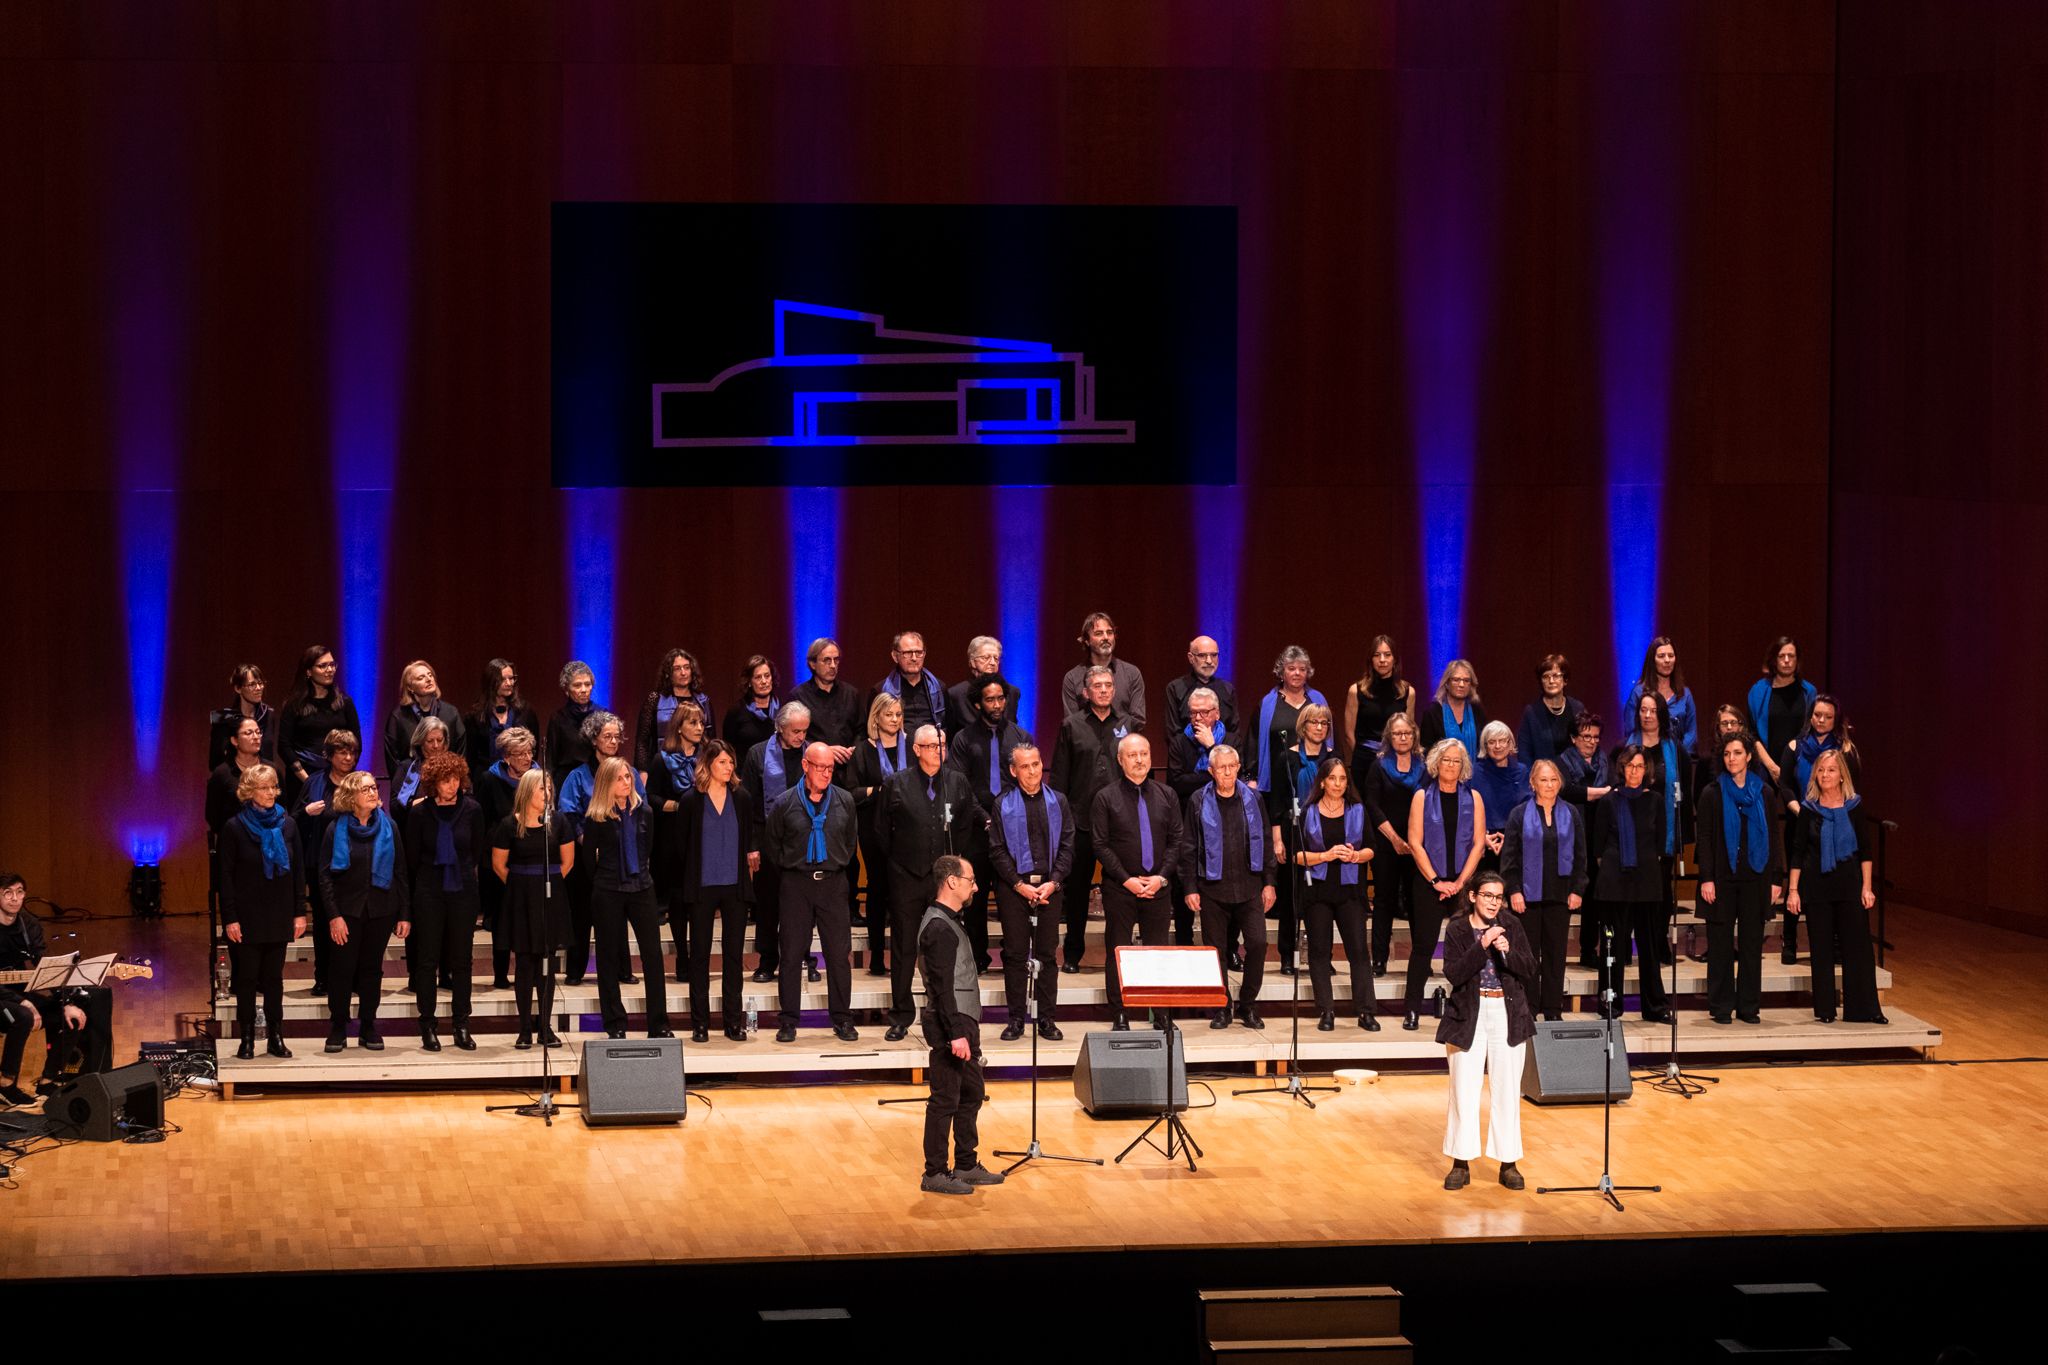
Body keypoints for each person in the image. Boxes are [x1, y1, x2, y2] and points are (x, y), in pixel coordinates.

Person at [877, 726, 987, 1040]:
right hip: (906, 876)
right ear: (916, 749)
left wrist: (951, 864)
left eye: (941, 746)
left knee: (945, 947)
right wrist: (901, 862)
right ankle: (900, 1015)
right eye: (930, 746)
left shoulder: (957, 782)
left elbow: (964, 824)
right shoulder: (896, 784)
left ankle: (945, 1012)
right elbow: (882, 832)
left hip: (945, 881)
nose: (937, 752)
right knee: (903, 948)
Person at [1437, 872, 1535, 1193]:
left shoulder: (1512, 925)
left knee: (1507, 1089)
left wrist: (1506, 951)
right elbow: (1454, 973)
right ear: (1473, 896)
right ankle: (1460, 1162)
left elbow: (1529, 968)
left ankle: (1508, 1163)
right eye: (1487, 896)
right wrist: (1482, 946)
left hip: (1506, 1012)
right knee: (1464, 1090)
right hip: (1469, 1014)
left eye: (1498, 897)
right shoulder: (1457, 929)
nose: (1494, 902)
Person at [916, 856, 1004, 1196]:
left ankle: (965, 1163)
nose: (975, 886)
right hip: (950, 1023)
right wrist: (956, 1033)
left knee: (971, 1093)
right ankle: (934, 1173)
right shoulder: (938, 927)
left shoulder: (948, 922)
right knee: (945, 1099)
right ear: (952, 882)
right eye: (970, 879)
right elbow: (941, 987)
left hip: (963, 1020)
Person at [763, 743, 861, 1043]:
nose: (826, 773)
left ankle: (842, 1019)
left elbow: (849, 841)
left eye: (831, 768)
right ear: (805, 766)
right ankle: (789, 1021)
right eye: (820, 767)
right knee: (792, 954)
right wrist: (795, 870)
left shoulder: (844, 800)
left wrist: (833, 864)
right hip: (797, 884)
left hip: (833, 883)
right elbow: (773, 846)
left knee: (838, 955)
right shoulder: (784, 803)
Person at [1090, 734, 1184, 1029]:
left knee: (1158, 953)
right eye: (1133, 755)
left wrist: (1161, 877)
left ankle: (1161, 1012)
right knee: (1118, 951)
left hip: (1158, 888)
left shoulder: (1167, 795)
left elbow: (1176, 840)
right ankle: (1120, 1012)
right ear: (1120, 760)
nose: (1140, 760)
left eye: (1144, 753)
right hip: (1121, 888)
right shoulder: (1105, 797)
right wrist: (1127, 879)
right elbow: (1100, 844)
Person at [1181, 744, 1276, 1029]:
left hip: (1249, 886)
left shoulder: (1254, 798)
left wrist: (1269, 883)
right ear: (1211, 771)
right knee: (1215, 951)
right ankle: (1222, 1007)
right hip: (1213, 888)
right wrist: (1189, 887)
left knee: (1258, 943)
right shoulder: (1198, 800)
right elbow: (1188, 847)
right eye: (1221, 767)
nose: (1227, 772)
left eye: (1232, 766)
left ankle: (1248, 1005)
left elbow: (1267, 841)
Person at [1787, 750, 1885, 1025]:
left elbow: (1865, 851)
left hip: (1849, 884)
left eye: (1831, 770)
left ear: (1842, 775)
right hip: (1817, 886)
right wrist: (1793, 890)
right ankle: (1826, 1010)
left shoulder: (1854, 807)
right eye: (1821, 770)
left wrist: (1867, 887)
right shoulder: (1809, 809)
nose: (1825, 775)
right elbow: (1797, 852)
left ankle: (1864, 1009)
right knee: (1821, 949)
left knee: (1858, 948)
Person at [1695, 731, 1786, 1025]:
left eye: (1737, 753)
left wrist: (1776, 878)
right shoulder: (1712, 792)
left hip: (1755, 878)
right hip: (1721, 878)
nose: (1731, 758)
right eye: (1727, 754)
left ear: (1748, 756)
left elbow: (1774, 835)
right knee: (1720, 945)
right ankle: (1721, 1006)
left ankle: (1748, 1006)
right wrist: (1706, 878)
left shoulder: (1765, 793)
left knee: (1750, 945)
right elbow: (1705, 838)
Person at [217, 763, 308, 1059]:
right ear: (249, 791)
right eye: (264, 787)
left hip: (279, 913)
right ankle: (246, 1039)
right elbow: (226, 878)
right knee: (246, 980)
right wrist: (229, 918)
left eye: (273, 787)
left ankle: (275, 1037)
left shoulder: (288, 824)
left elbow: (297, 873)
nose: (271, 793)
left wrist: (299, 912)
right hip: (246, 916)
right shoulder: (234, 827)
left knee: (274, 979)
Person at [317, 771, 410, 1051]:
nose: (373, 792)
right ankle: (338, 1025)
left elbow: (401, 871)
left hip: (380, 910)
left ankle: (368, 1024)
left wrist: (404, 913)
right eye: (366, 789)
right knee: (342, 970)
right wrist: (334, 916)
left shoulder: (389, 826)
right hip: (346, 912)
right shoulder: (335, 828)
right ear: (351, 797)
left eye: (373, 788)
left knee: (371, 970)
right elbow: (324, 876)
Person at [987, 744, 1074, 1040]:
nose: (1033, 771)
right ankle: (1015, 1020)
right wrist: (1019, 885)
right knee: (1014, 955)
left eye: (1036, 764)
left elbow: (1067, 846)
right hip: (1015, 889)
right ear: (1014, 771)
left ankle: (1047, 1019)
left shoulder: (1058, 801)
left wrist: (1054, 882)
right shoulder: (1002, 804)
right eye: (1025, 766)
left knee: (1047, 955)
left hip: (1051, 887)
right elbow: (996, 850)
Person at [1, 874, 114, 1100]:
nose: (15, 899)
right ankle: (5, 1085)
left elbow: (45, 966)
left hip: (17, 993)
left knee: (72, 1015)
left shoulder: (28, 925)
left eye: (20, 892)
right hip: (5, 999)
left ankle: (48, 1081)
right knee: (22, 1016)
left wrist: (67, 1002)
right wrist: (23, 1002)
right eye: (7, 893)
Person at [1049, 666, 1132, 973]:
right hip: (1080, 819)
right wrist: (1061, 819)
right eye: (1097, 685)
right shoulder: (1071, 725)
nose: (1103, 690)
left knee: (1120, 890)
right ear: (1086, 691)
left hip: (1118, 820)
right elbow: (1059, 776)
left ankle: (1120, 955)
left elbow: (1135, 771)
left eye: (1108, 685)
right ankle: (1072, 954)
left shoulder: (1127, 724)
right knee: (1077, 890)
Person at [675, 740, 759, 1042]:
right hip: (702, 887)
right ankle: (700, 1024)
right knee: (699, 955)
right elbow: (682, 847)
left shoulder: (742, 798)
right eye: (723, 762)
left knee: (733, 956)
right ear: (708, 763)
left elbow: (749, 837)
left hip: (734, 886)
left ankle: (733, 1022)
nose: (729, 767)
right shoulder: (691, 800)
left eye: (731, 762)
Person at [403, 750, 486, 1051]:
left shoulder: (473, 810)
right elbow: (412, 857)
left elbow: (476, 851)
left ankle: (461, 1024)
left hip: (463, 889)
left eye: (455, 779)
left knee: (462, 961)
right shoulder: (418, 813)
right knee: (427, 960)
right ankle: (428, 1024)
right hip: (429, 890)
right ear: (433, 783)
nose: (452, 785)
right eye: (445, 780)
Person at [583, 755, 669, 1040]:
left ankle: (658, 1024)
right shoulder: (596, 817)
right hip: (607, 889)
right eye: (619, 778)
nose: (625, 782)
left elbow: (650, 849)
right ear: (607, 782)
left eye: (628, 777)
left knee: (653, 957)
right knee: (607, 958)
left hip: (641, 887)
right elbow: (587, 861)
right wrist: (603, 880)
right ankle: (615, 1023)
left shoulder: (645, 812)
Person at [1404, 738, 1486, 1031]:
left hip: (1463, 884)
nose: (1451, 765)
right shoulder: (1421, 797)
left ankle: (1466, 1008)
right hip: (1429, 882)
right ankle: (1412, 1010)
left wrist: (1461, 883)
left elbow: (1478, 843)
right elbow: (1415, 842)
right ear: (1436, 764)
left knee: (1467, 949)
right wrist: (1437, 881)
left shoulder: (1474, 797)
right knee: (1423, 947)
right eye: (1446, 760)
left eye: (1456, 761)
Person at [489, 769, 573, 1049]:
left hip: (551, 895)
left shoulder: (559, 822)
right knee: (525, 963)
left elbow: (567, 862)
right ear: (527, 792)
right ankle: (524, 1028)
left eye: (549, 789)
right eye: (541, 789)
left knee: (547, 963)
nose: (547, 794)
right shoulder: (508, 825)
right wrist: (522, 885)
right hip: (521, 898)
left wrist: (544, 884)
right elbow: (499, 865)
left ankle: (545, 1027)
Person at [1291, 755, 1376, 1031]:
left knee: (1359, 952)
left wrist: (1354, 856)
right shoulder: (1307, 811)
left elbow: (1371, 850)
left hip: (1350, 891)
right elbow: (1298, 856)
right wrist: (1325, 855)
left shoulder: (1358, 810)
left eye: (1342, 778)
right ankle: (1326, 1011)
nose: (1338, 783)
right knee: (1319, 952)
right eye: (1332, 778)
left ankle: (1365, 1012)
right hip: (1318, 892)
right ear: (1323, 782)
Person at [1499, 759, 1588, 1023]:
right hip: (1527, 898)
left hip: (1560, 896)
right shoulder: (1518, 814)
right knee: (1527, 955)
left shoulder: (1571, 813)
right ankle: (1528, 1006)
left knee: (1555, 954)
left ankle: (1552, 1009)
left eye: (1553, 780)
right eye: (1543, 780)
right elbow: (1509, 858)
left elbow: (1581, 856)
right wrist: (1513, 890)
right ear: (1533, 783)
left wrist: (1577, 889)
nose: (1549, 785)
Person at [557, 709, 640, 987]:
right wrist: (585, 842)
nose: (614, 741)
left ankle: (622, 970)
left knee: (618, 913)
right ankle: (575, 970)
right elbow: (568, 814)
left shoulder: (630, 774)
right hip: (585, 856)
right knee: (581, 914)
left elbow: (640, 809)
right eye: (608, 736)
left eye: (618, 737)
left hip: (619, 856)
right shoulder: (577, 776)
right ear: (594, 740)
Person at [1587, 746, 1670, 1022]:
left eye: (1640, 766)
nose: (1635, 771)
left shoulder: (1656, 801)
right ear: (1622, 768)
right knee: (1613, 948)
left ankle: (1655, 1007)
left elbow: (1660, 843)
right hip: (1614, 882)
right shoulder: (1609, 801)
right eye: (1630, 766)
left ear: (1647, 770)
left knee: (1649, 948)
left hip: (1646, 881)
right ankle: (1610, 1003)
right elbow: (1598, 848)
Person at [741, 701, 815, 984]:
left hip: (804, 841)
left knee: (801, 906)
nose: (800, 737)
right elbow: (747, 805)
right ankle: (767, 961)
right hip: (767, 839)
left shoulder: (811, 754)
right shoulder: (758, 754)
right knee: (768, 905)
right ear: (780, 728)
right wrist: (751, 845)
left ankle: (804, 958)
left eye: (804, 731)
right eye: (795, 731)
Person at [1270, 702, 1340, 975]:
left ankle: (1322, 956)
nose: (1320, 728)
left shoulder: (1333, 758)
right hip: (1293, 829)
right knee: (1291, 897)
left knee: (1322, 898)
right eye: (1315, 723)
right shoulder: (1286, 758)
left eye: (1324, 724)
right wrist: (1277, 839)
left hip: (1326, 831)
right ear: (1303, 726)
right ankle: (1287, 956)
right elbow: (1276, 800)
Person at [292, 727, 360, 997]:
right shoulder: (315, 783)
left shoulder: (360, 781)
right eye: (342, 752)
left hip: (354, 865)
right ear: (330, 755)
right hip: (320, 864)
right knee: (323, 923)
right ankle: (322, 977)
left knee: (352, 923)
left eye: (352, 752)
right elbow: (293, 818)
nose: (348, 758)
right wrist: (307, 812)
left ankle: (351, 978)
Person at [850, 693, 912, 976]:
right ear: (876, 717)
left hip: (907, 829)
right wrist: (879, 791)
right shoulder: (863, 750)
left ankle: (903, 956)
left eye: (899, 715)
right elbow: (851, 792)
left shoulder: (911, 746)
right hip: (874, 828)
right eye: (889, 715)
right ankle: (876, 956)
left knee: (903, 895)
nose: (895, 720)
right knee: (877, 890)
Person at [1363, 714, 1427, 979]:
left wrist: (1412, 842)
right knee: (1384, 901)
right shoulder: (1378, 766)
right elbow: (1372, 805)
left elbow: (1428, 804)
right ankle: (1379, 960)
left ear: (1414, 737)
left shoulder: (1424, 768)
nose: (1402, 738)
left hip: (1417, 845)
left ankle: (1420, 961)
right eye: (1398, 733)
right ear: (1389, 737)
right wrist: (1395, 840)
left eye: (1407, 734)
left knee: (1417, 904)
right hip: (1386, 843)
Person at [1628, 690, 1689, 971]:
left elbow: (1683, 791)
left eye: (1653, 710)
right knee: (1633, 890)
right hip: (1633, 831)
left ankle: (1658, 941)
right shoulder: (1627, 747)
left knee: (1662, 891)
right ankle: (1633, 943)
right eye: (1643, 710)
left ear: (1661, 714)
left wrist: (1680, 834)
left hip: (1663, 830)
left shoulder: (1674, 748)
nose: (1648, 715)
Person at [647, 700, 706, 981]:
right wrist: (680, 806)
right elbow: (652, 797)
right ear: (679, 728)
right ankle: (683, 957)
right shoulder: (663, 759)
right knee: (679, 902)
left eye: (701, 722)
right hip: (671, 839)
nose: (699, 727)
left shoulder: (707, 757)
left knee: (698, 902)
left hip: (702, 837)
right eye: (692, 723)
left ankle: (697, 959)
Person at [475, 726, 536, 990]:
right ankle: (500, 974)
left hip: (530, 856)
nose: (526, 757)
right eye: (519, 753)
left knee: (529, 918)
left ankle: (531, 973)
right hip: (497, 858)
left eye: (529, 752)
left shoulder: (537, 778)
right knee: (500, 918)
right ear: (506, 757)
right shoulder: (489, 780)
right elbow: (482, 820)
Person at [278, 646, 361, 806]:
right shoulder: (294, 705)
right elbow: (283, 746)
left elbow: (356, 742)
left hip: (340, 777)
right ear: (308, 671)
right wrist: (308, 780)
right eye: (322, 666)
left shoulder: (345, 703)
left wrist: (341, 773)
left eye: (332, 665)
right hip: (302, 778)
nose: (329, 670)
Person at [1246, 646, 1326, 796]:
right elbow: (1253, 743)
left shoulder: (1318, 701)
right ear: (1282, 672)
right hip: (1276, 781)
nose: (1297, 673)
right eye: (1291, 668)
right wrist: (1252, 777)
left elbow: (1332, 740)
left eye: (1302, 669)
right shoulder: (1267, 704)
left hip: (1313, 779)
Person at [1746, 636, 1815, 787]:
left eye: (1791, 656)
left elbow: (1811, 731)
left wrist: (1792, 767)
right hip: (1765, 767)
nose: (1786, 660)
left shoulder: (1809, 692)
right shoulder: (1757, 691)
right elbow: (1752, 734)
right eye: (1781, 656)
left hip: (1799, 765)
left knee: (1797, 810)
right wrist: (1772, 767)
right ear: (1774, 660)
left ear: (1797, 660)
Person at [634, 648, 714, 777]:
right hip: (662, 767)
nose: (683, 673)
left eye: (686, 667)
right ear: (668, 673)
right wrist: (643, 772)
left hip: (697, 768)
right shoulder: (655, 699)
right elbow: (642, 741)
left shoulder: (703, 701)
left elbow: (711, 739)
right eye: (677, 669)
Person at [1344, 635, 1415, 778]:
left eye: (1387, 655)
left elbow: (1408, 733)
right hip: (1364, 762)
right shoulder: (1356, 690)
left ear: (1394, 659)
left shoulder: (1407, 692)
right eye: (1377, 655)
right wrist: (1362, 755)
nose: (1382, 660)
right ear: (1371, 660)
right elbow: (1349, 734)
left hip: (1395, 761)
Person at [1061, 611, 1146, 730]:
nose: (1106, 637)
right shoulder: (1072, 677)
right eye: (1099, 633)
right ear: (1087, 641)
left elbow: (1138, 721)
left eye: (1110, 632)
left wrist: (1114, 739)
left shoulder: (1131, 673)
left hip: (1122, 744)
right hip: (1086, 746)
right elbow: (1071, 724)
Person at [383, 660, 464, 781]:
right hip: (410, 786)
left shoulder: (451, 713)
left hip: (447, 782)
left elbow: (460, 752)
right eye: (421, 677)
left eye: (430, 675)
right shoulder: (398, 717)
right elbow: (393, 759)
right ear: (410, 687)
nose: (428, 679)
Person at [1783, 693, 1862, 815]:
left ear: (1836, 720)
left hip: (1836, 817)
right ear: (1810, 716)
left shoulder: (1845, 749)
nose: (1821, 720)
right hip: (1800, 817)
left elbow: (1851, 788)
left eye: (1828, 717)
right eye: (1817, 715)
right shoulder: (1794, 747)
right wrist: (1800, 813)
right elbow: (1785, 785)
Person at [791, 637, 861, 765]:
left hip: (849, 767)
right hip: (815, 767)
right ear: (813, 664)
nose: (833, 665)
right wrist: (824, 751)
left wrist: (853, 750)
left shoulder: (851, 693)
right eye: (827, 660)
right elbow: (793, 737)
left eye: (836, 660)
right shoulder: (798, 697)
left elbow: (861, 730)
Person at [465, 658, 540, 777]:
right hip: (486, 778)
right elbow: (471, 754)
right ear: (490, 681)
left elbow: (534, 748)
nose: (509, 683)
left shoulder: (526, 711)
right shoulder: (475, 715)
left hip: (520, 778)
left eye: (511, 678)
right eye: (502, 679)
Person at [1624, 636, 1698, 755]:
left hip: (1679, 759)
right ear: (1652, 660)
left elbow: (1691, 732)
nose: (1667, 660)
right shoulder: (1638, 693)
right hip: (1646, 758)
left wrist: (1676, 754)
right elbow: (1632, 730)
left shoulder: (1685, 693)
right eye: (1661, 656)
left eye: (1671, 655)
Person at [1471, 722, 1530, 869]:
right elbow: (1466, 808)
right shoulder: (1473, 772)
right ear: (1485, 745)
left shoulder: (1521, 771)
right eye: (1492, 742)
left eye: (1502, 741)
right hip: (1481, 837)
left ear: (1510, 744)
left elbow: (1527, 809)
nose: (1497, 746)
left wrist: (1511, 837)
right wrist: (1479, 837)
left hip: (1514, 838)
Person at [944, 636, 1019, 744]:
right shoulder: (956, 695)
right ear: (973, 662)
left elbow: (1013, 732)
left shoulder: (1012, 692)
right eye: (986, 658)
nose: (992, 662)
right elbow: (950, 735)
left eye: (996, 658)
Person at [873, 631, 947, 738]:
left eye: (918, 652)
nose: (914, 658)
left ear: (924, 654)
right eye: (907, 653)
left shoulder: (939, 688)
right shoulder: (881, 690)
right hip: (896, 751)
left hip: (932, 749)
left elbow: (948, 725)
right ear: (895, 656)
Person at [1166, 687, 1233, 802]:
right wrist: (1213, 778)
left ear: (1217, 714)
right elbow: (1176, 783)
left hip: (1223, 804)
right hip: (1188, 804)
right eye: (1193, 713)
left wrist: (1211, 747)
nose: (1197, 718)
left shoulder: (1231, 741)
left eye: (1204, 713)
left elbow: (1230, 779)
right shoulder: (1178, 742)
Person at [1515, 654, 1584, 764]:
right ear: (1541, 681)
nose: (1551, 681)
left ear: (1565, 680)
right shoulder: (1531, 712)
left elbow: (1587, 744)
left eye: (1556, 676)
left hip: (1575, 777)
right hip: (1544, 778)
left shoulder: (1577, 708)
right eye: (1546, 677)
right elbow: (1524, 754)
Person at [208, 662, 278, 771]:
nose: (259, 688)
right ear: (238, 688)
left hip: (262, 778)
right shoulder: (225, 719)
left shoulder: (268, 714)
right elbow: (215, 762)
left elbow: (268, 754)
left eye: (260, 683)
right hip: (234, 778)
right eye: (252, 684)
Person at [1163, 635, 1238, 735]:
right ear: (1191, 658)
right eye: (1202, 655)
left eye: (1214, 655)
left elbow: (1234, 733)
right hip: (1185, 749)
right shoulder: (1175, 689)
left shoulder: (1228, 689)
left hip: (1221, 749)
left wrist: (1214, 748)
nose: (1209, 661)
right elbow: (1172, 733)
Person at [208, 714, 269, 838]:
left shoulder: (271, 770)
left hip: (266, 840)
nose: (256, 737)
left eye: (258, 732)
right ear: (234, 740)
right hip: (233, 842)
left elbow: (282, 808)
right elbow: (212, 816)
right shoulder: (222, 773)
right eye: (249, 733)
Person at [546, 660, 598, 790]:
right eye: (577, 685)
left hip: (596, 779)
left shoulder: (602, 715)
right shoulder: (558, 718)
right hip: (566, 782)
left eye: (587, 684)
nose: (584, 690)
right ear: (566, 690)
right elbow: (551, 759)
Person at [1418, 659, 1486, 753]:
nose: (1461, 685)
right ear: (1447, 683)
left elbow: (1484, 745)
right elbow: (1426, 750)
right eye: (1456, 680)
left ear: (1471, 685)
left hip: (1474, 767)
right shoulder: (1432, 712)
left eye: (1466, 680)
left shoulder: (1477, 710)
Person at [721, 654, 781, 758]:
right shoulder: (736, 711)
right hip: (745, 771)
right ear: (749, 682)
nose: (764, 681)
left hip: (776, 771)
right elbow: (728, 749)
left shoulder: (782, 710)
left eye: (767, 676)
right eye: (758, 677)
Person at [390, 713, 451, 809]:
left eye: (439, 740)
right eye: (430, 741)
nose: (436, 745)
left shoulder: (453, 766)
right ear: (420, 742)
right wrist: (427, 802)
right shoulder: (406, 767)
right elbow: (395, 808)